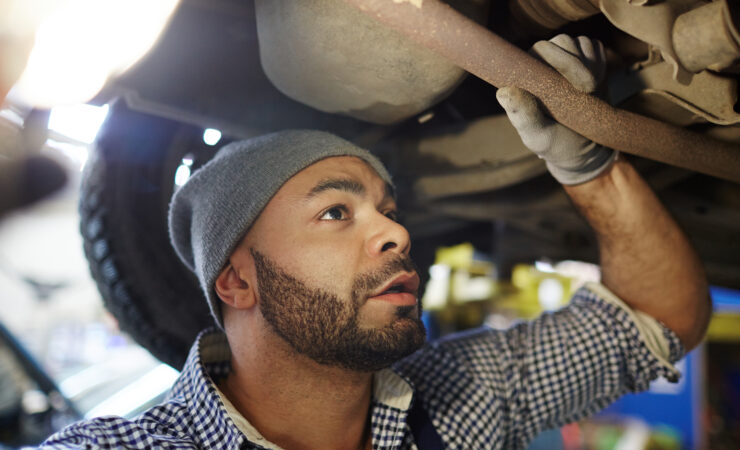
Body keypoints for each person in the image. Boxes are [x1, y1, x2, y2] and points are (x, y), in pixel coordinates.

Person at [41, 35, 710, 449]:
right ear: (236, 281)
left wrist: (587, 167)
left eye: (387, 210)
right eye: (336, 212)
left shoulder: (458, 403)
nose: (396, 232)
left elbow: (659, 317)